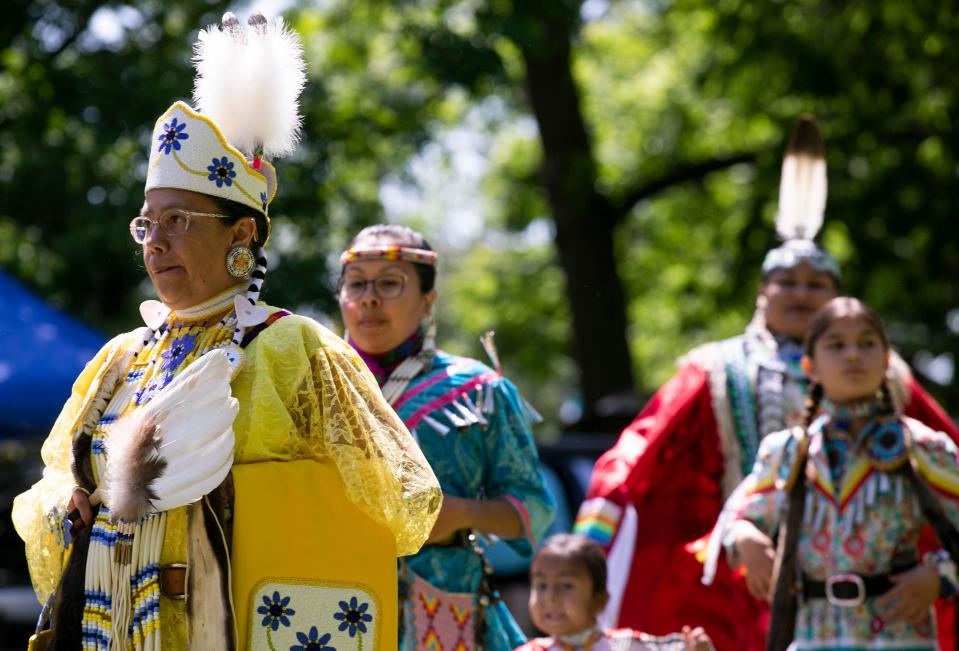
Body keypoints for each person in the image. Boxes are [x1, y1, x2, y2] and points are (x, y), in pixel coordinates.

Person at [12, 14, 440, 651]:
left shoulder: (299, 351)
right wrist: (68, 504)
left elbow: (401, 504)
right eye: (145, 224)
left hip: (232, 624)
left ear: (241, 235)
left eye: (178, 219)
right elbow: (51, 478)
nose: (155, 242)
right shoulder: (119, 359)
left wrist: (231, 496)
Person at [573, 117, 959, 650]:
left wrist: (941, 575)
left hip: (888, 610)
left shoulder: (893, 384)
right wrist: (589, 543)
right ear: (762, 292)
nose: (801, 293)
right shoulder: (716, 370)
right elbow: (641, 454)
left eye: (816, 284)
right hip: (750, 589)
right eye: (788, 283)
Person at [337, 224, 556, 650]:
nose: (369, 298)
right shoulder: (313, 385)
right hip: (333, 599)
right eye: (356, 284)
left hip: (441, 604)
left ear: (427, 301)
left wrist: (459, 514)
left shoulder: (478, 390)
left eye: (389, 283)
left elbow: (534, 507)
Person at [713, 297, 959, 650]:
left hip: (900, 637)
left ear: (887, 361)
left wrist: (940, 575)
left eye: (867, 343)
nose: (853, 355)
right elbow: (740, 515)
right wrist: (745, 536)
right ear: (810, 366)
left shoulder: (921, 447)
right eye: (837, 345)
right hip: (815, 636)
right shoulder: (789, 452)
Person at [517, 533, 714, 651]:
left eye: (566, 585)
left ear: (599, 600)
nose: (550, 597)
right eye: (541, 585)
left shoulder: (629, 646)